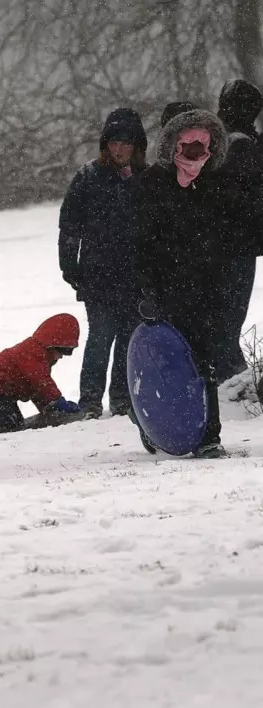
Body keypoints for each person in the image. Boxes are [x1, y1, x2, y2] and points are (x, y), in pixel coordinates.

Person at [134, 108, 235, 458]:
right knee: (162, 365)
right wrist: (147, 291)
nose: (196, 151)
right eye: (188, 142)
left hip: (203, 290)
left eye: (203, 143)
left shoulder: (214, 185)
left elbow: (222, 236)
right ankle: (156, 426)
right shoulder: (150, 186)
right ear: (173, 144)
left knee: (202, 364)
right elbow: (141, 243)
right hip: (163, 291)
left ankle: (208, 436)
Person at [59, 108, 147, 418]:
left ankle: (122, 400)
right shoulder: (88, 177)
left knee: (128, 340)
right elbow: (69, 227)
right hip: (98, 276)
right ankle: (91, 401)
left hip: (136, 278)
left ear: (137, 145)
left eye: (126, 142)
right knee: (100, 337)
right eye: (114, 142)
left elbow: (156, 231)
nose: (119, 149)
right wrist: (70, 267)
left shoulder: (146, 179)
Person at [0, 314, 81, 437]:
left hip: (3, 392)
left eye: (68, 351)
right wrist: (58, 401)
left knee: (15, 423)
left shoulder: (42, 357)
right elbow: (42, 383)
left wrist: (47, 407)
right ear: (51, 345)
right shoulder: (33, 354)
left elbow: (36, 388)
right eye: (63, 350)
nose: (63, 356)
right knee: (5, 422)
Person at [215, 79, 263, 381]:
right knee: (228, 317)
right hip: (235, 245)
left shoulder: (228, 143)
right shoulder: (240, 146)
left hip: (231, 243)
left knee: (226, 316)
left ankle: (229, 374)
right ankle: (230, 377)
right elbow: (245, 200)